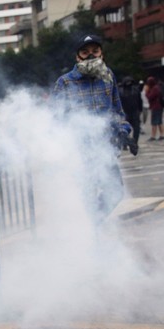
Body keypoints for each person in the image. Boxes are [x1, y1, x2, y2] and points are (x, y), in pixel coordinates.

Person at [52, 34, 136, 217]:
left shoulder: (108, 77)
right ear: (77, 56)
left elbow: (117, 112)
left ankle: (93, 227)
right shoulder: (65, 82)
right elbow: (55, 121)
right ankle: (90, 235)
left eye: (95, 51)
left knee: (114, 193)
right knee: (85, 198)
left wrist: (123, 132)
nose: (91, 56)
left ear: (102, 54)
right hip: (79, 152)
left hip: (105, 148)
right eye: (85, 52)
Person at [119, 76, 143, 146]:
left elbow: (139, 100)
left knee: (136, 128)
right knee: (125, 129)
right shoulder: (121, 91)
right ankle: (125, 143)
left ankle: (134, 142)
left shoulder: (135, 90)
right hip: (126, 112)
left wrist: (140, 109)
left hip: (134, 112)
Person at [145, 77, 164, 141]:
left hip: (155, 107)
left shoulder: (154, 89)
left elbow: (150, 97)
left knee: (154, 122)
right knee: (159, 121)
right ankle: (162, 135)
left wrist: (147, 92)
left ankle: (153, 136)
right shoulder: (157, 87)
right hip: (160, 106)